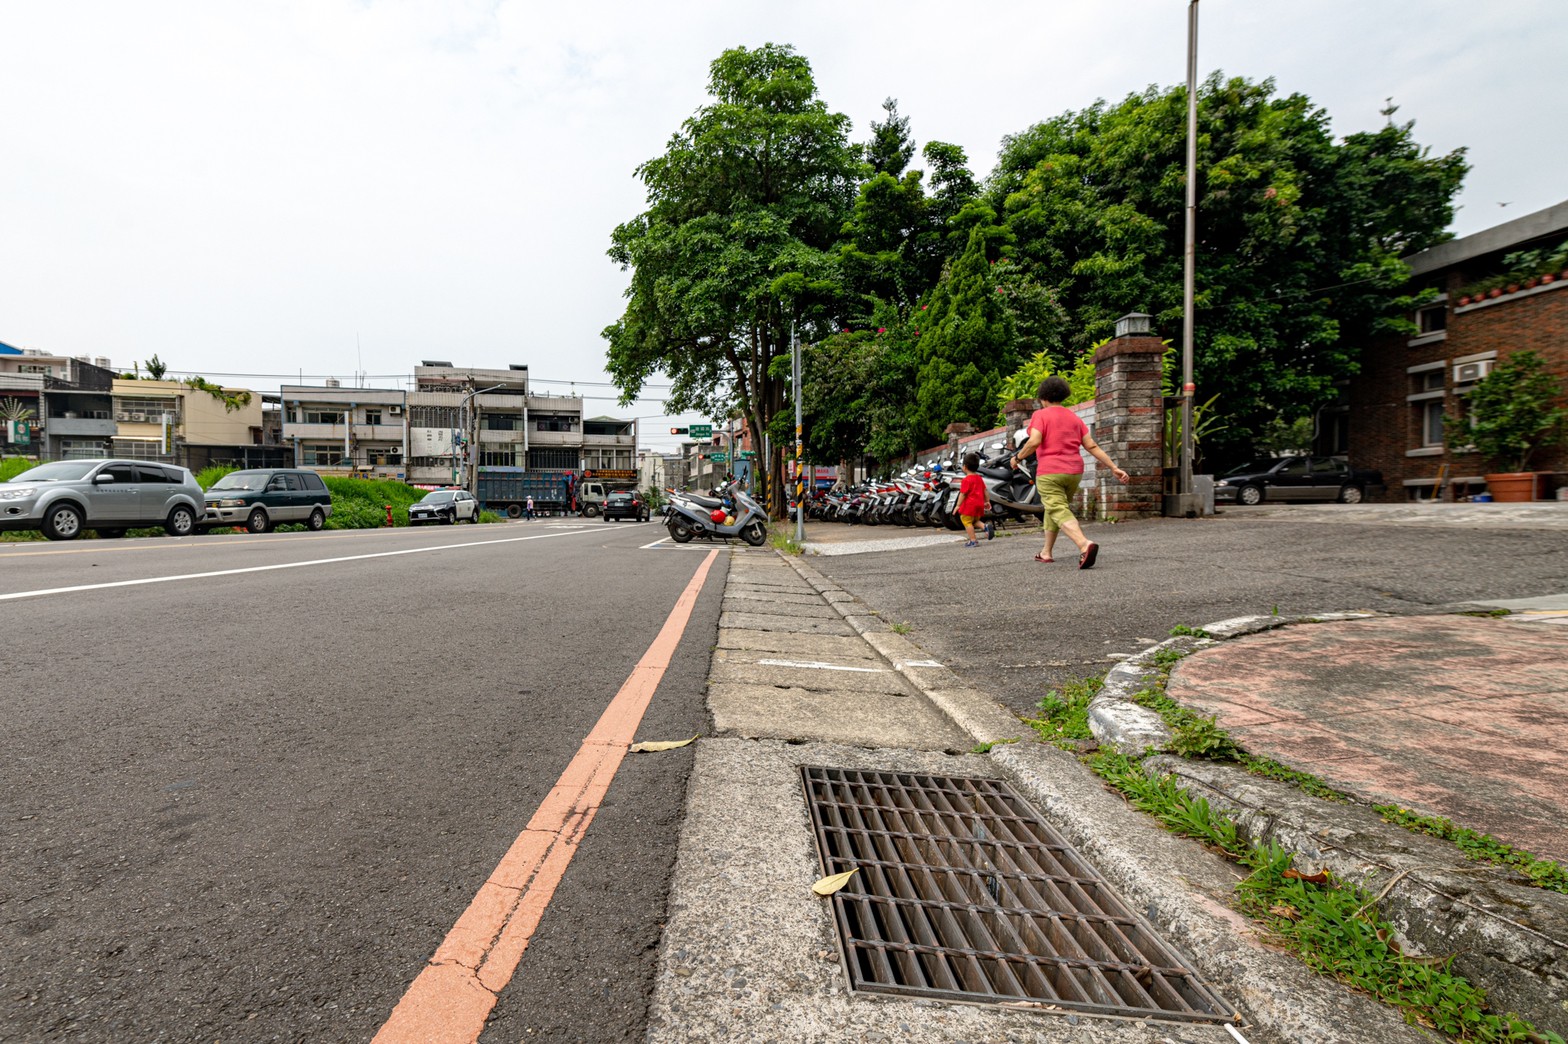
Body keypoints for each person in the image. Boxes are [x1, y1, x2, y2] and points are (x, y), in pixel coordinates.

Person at [1010, 375, 1129, 568]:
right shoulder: (1074, 417)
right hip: (1074, 472)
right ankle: (1046, 552)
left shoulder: (1041, 415)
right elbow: (1091, 445)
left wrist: (1017, 458)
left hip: (1050, 471)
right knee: (1054, 508)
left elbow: (1034, 441)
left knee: (1057, 508)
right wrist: (1113, 467)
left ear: (1043, 397)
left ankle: (1084, 544)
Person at [956, 452, 991, 547]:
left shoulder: (966, 480)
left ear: (965, 467)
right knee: (974, 521)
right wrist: (987, 501)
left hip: (969, 506)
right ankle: (985, 526)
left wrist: (958, 505)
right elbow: (985, 490)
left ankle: (973, 540)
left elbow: (963, 494)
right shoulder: (979, 478)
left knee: (967, 521)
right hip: (979, 505)